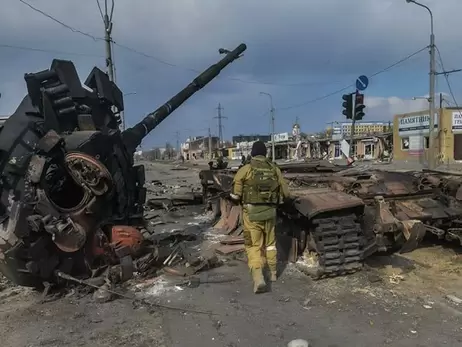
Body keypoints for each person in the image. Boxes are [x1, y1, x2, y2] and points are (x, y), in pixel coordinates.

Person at [229, 141, 290, 293]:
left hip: (252, 215)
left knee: (253, 246)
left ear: (252, 153)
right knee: (270, 244)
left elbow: (236, 194)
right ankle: (274, 273)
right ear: (265, 153)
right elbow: (286, 193)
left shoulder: (246, 169)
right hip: (270, 213)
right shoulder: (274, 169)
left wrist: (235, 196)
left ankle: (258, 278)